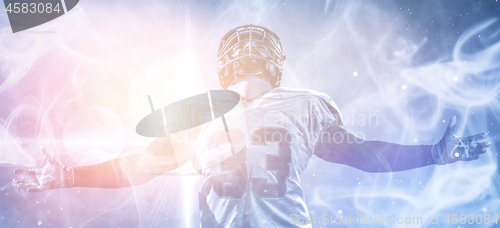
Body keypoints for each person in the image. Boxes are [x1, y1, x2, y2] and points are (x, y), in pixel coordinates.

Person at [13, 25, 490, 227]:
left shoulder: (291, 106)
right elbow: (137, 167)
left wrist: (433, 154)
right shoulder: (203, 114)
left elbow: (360, 154)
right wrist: (69, 175)